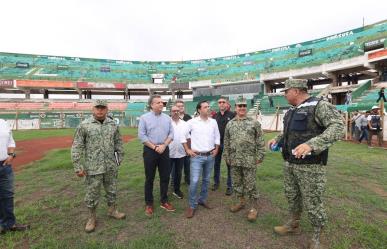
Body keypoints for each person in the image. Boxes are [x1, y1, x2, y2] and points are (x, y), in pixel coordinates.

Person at [268, 79, 344, 249]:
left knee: (313, 201)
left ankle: (316, 236)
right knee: (292, 196)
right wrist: (278, 139)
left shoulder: (319, 106)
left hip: (311, 166)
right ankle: (293, 225)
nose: (284, 94)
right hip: (290, 163)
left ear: (295, 91)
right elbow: (287, 133)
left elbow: (338, 127)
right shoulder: (291, 111)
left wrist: (312, 144)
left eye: (286, 91)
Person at [71, 99, 125, 233]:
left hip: (110, 166)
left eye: (103, 108)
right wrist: (78, 166)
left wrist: (119, 159)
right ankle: (91, 218)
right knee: (92, 194)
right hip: (93, 167)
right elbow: (77, 146)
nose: (100, 110)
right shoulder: (84, 125)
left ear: (107, 109)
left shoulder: (113, 125)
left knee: (112, 190)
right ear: (92, 109)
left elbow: (118, 143)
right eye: (97, 108)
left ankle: (112, 210)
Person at [223, 96, 265, 222]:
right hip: (235, 159)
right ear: (235, 108)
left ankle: (253, 208)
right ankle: (241, 202)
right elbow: (226, 141)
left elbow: (260, 140)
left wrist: (260, 155)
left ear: (246, 108)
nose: (242, 108)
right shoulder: (230, 124)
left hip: (249, 160)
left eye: (244, 106)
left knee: (250, 184)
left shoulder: (254, 123)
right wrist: (226, 155)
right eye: (239, 106)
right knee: (237, 183)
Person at [138, 95, 175, 217]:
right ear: (151, 105)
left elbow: (171, 133)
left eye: (162, 102)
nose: (161, 104)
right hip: (150, 150)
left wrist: (164, 145)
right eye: (158, 102)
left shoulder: (167, 118)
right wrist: (154, 147)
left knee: (165, 177)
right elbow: (142, 136)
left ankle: (164, 201)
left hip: (164, 149)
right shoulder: (144, 118)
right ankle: (149, 203)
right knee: (150, 178)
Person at [182, 100, 220, 218]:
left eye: (208, 106)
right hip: (196, 157)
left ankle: (202, 200)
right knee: (194, 181)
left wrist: (217, 149)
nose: (208, 108)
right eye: (205, 107)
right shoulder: (191, 122)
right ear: (199, 110)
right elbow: (182, 136)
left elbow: (217, 136)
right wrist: (188, 150)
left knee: (206, 180)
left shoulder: (213, 122)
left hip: (210, 156)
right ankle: (192, 205)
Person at [0, 119, 30, 235]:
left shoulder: (3, 122)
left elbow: (10, 141)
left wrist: (11, 154)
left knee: (7, 195)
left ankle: (10, 224)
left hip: (5, 165)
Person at [213, 96, 235, 195]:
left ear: (227, 104)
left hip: (228, 145)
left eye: (223, 102)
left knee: (229, 165)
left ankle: (230, 186)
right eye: (219, 102)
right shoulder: (215, 116)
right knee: (216, 164)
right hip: (217, 144)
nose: (221, 104)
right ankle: (216, 183)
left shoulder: (233, 115)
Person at [169, 106, 189, 199]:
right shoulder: (167, 122)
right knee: (165, 173)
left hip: (181, 152)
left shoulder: (184, 124)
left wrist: (188, 149)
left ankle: (177, 190)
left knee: (178, 173)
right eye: (174, 111)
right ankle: (164, 191)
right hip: (168, 153)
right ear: (170, 112)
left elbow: (188, 137)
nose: (176, 112)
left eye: (177, 111)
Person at [174, 100, 192, 185]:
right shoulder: (172, 117)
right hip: (176, 146)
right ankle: (174, 181)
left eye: (182, 106)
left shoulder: (188, 117)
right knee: (175, 167)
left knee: (187, 164)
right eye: (178, 106)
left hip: (187, 146)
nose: (180, 107)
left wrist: (189, 147)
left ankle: (188, 180)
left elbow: (191, 132)